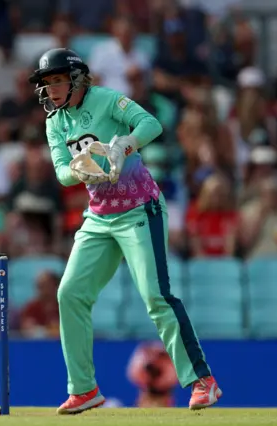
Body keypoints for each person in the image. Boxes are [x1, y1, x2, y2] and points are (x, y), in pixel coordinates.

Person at [28, 48, 222, 414]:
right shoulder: (55, 121)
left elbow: (151, 124)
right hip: (99, 217)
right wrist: (80, 170)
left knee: (155, 296)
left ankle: (203, 381)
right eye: (46, 83)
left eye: (57, 80)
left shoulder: (107, 99)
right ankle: (84, 390)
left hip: (139, 209)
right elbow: (61, 172)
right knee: (70, 294)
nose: (51, 89)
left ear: (76, 79)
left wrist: (123, 145)